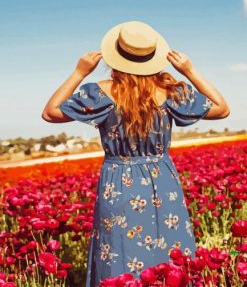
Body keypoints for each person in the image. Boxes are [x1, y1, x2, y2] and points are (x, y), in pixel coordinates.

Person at [42, 21, 230, 286]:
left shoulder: (101, 92)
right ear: (153, 58)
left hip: (118, 183)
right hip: (164, 182)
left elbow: (50, 112)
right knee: (169, 254)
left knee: (118, 254)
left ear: (115, 57)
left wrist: (79, 72)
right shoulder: (170, 91)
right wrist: (190, 70)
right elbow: (222, 108)